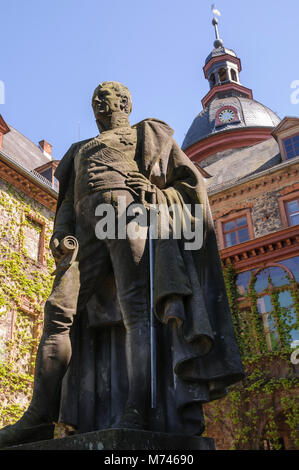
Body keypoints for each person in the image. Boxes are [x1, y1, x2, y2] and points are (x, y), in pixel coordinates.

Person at [0, 81, 244, 448]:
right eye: (94, 98)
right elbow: (67, 199)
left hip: (128, 220)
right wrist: (61, 230)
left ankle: (138, 407)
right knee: (58, 311)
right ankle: (39, 416)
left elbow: (191, 188)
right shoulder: (79, 150)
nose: (99, 102)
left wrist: (157, 194)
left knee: (138, 312)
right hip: (85, 234)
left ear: (126, 102)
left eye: (107, 96)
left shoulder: (146, 135)